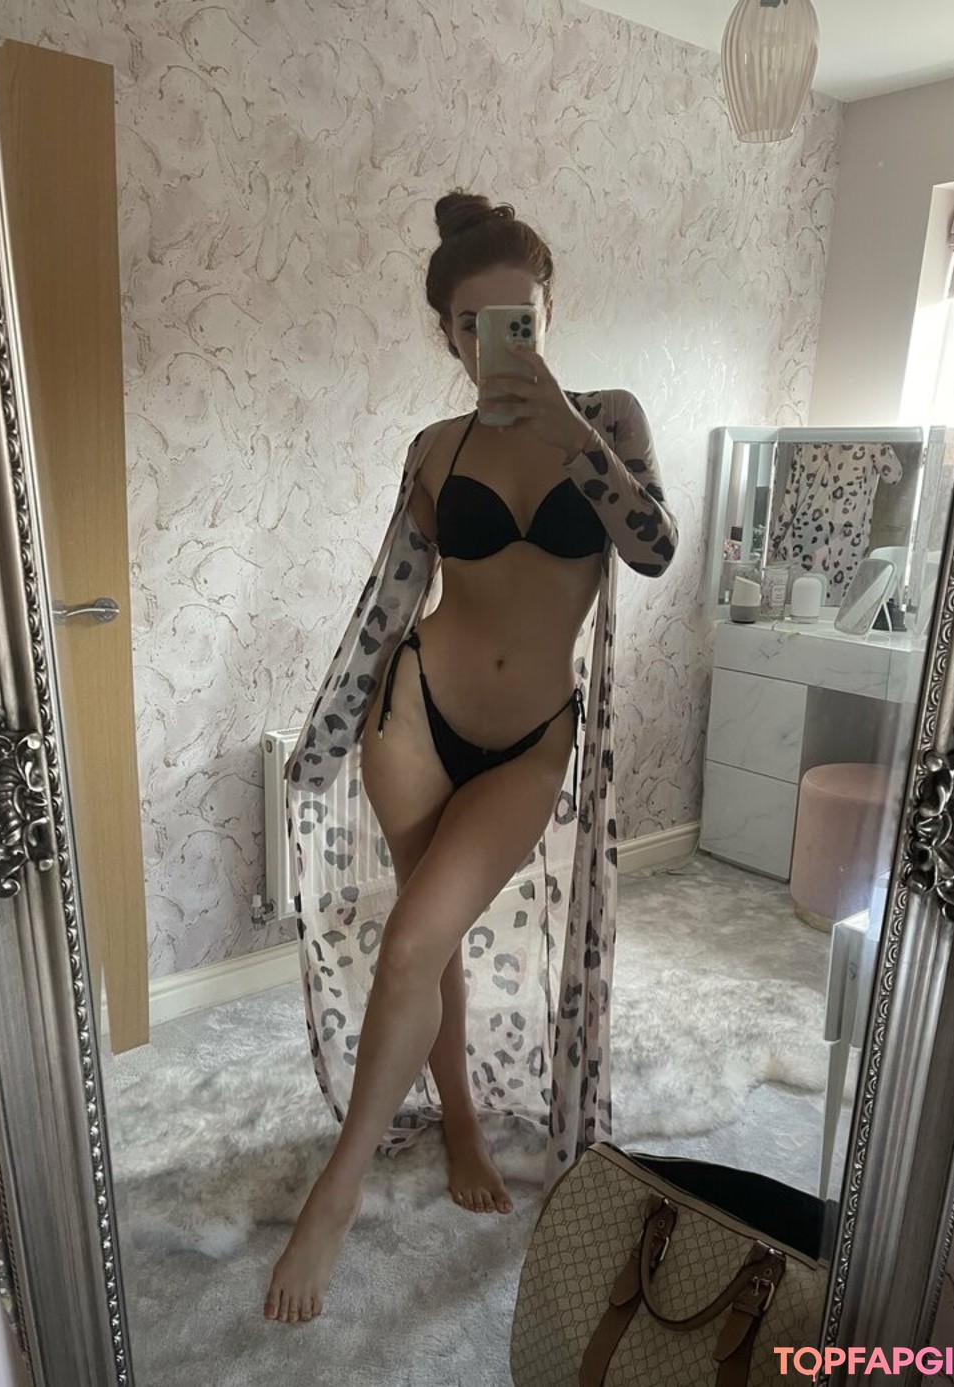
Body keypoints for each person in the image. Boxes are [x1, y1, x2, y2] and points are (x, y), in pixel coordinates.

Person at [266, 191, 678, 1324]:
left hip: (530, 740)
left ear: (546, 314)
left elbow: (653, 546)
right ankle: (450, 1116)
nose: (500, 345)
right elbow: (393, 598)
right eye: (474, 326)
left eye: (520, 322)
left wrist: (571, 433)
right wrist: (327, 734)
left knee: (413, 937)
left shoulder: (610, 419)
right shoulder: (435, 449)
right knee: (424, 936)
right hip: (417, 714)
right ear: (449, 336)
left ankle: (337, 1188)